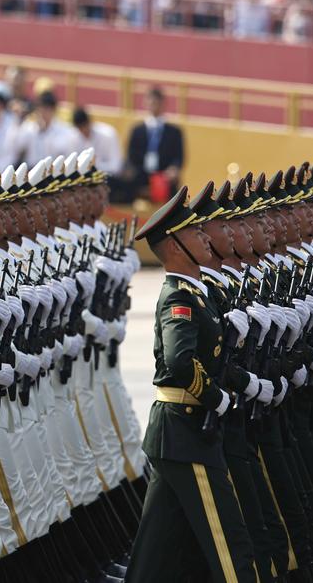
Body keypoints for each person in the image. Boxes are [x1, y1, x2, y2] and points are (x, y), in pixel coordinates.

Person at [128, 186, 258, 583]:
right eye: (195, 234)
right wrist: (217, 398)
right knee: (230, 545)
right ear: (174, 247)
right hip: (186, 428)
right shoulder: (177, 298)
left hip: (180, 432)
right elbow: (179, 362)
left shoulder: (197, 296)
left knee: (156, 553)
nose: (205, 239)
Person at [125, 87, 183, 202]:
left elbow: (178, 157)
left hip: (164, 175)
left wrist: (173, 169)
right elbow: (131, 154)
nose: (153, 105)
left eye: (156, 102)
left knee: (173, 187)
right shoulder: (137, 130)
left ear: (163, 104)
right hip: (142, 173)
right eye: (150, 102)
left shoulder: (174, 132)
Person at [12, 90, 78, 165]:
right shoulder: (29, 127)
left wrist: (45, 133)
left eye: (46, 109)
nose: (43, 112)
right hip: (31, 169)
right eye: (40, 108)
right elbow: (18, 146)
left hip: (53, 171)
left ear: (53, 110)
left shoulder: (64, 130)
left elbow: (63, 152)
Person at [71, 107, 122, 174]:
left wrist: (94, 166)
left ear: (89, 122)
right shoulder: (73, 136)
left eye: (84, 126)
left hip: (107, 176)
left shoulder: (108, 134)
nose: (83, 131)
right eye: (80, 128)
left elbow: (116, 166)